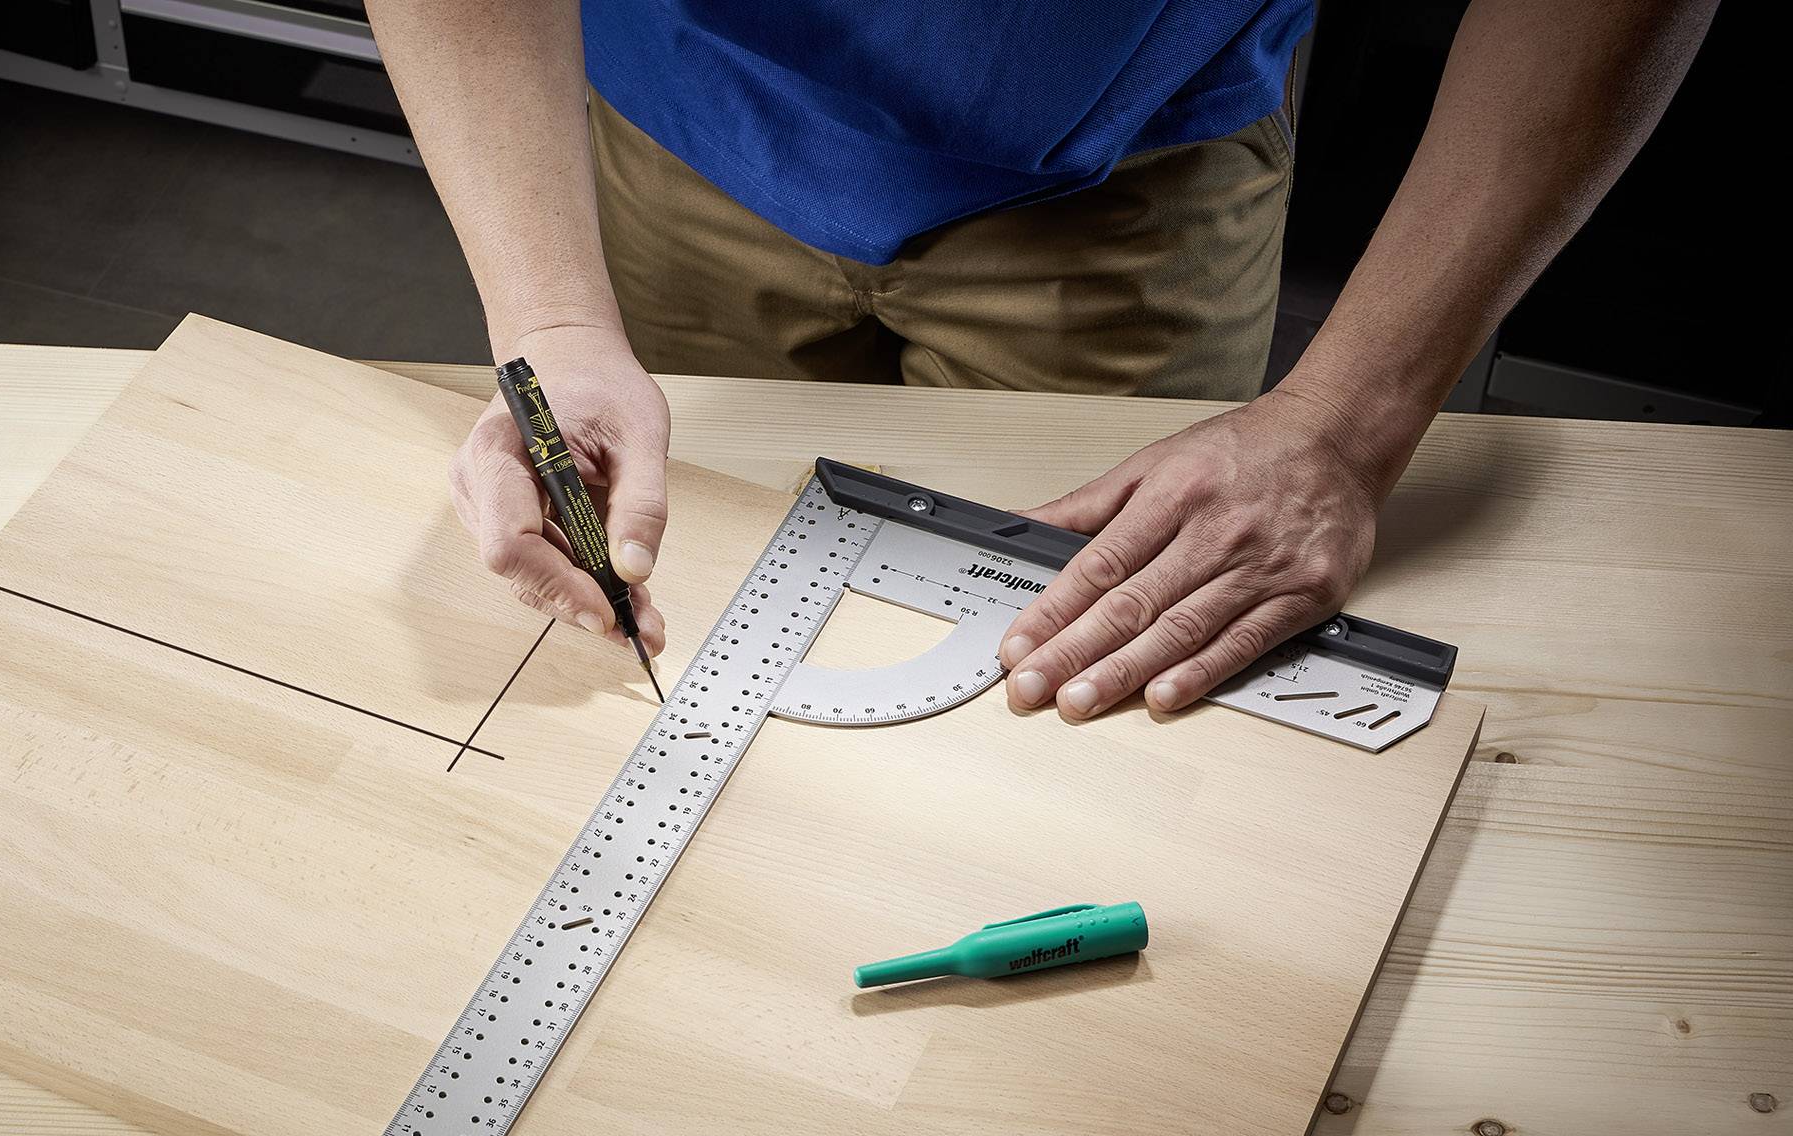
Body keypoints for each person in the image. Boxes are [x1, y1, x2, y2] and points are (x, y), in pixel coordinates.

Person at [368, 1, 1715, 719]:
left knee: (1095, 686)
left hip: (1132, 174)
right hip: (676, 120)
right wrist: (551, 322)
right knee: (662, 559)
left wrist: (1348, 425)